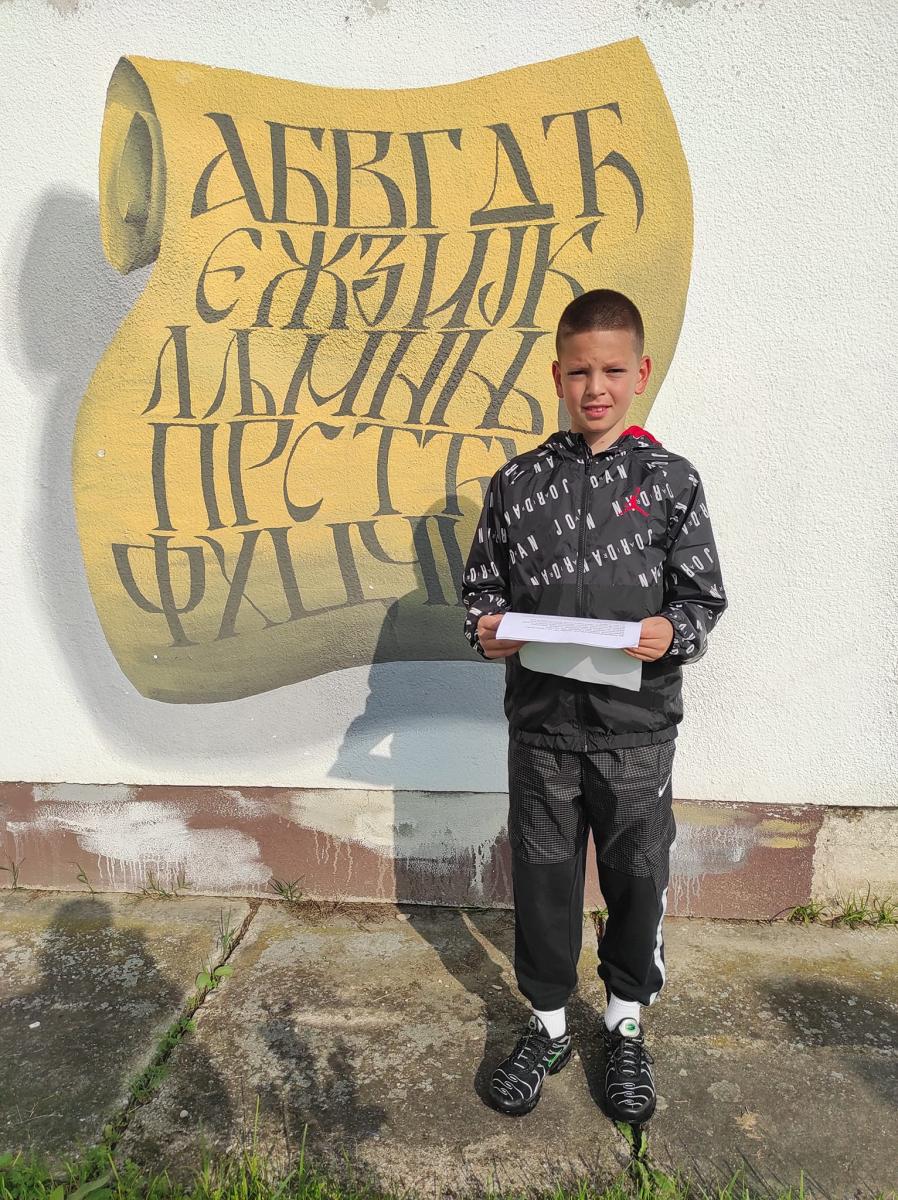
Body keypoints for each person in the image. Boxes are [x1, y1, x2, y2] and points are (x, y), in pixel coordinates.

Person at [461, 289, 727, 1122]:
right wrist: (487, 631)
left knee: (637, 876)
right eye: (580, 372)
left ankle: (624, 1021)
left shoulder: (671, 482)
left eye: (612, 370)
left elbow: (702, 599)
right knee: (543, 879)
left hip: (635, 733)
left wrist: (671, 631)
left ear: (640, 373)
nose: (596, 387)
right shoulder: (517, 484)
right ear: (557, 376)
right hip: (542, 730)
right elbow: (481, 593)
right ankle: (546, 1023)